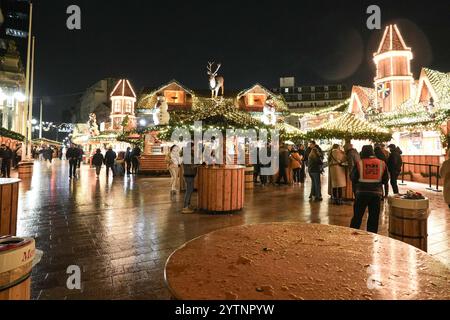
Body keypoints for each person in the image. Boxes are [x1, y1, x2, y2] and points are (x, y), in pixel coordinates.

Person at [350, 145, 389, 233]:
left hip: (361, 193)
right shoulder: (381, 163)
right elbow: (386, 179)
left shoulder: (359, 163)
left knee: (357, 217)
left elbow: (353, 177)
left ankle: (351, 235)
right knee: (373, 218)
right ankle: (371, 237)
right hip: (376, 194)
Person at [182, 143, 198, 213]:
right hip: (189, 175)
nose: (194, 148)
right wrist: (198, 165)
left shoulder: (188, 155)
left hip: (189, 175)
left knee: (190, 190)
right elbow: (192, 166)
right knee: (189, 191)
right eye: (193, 147)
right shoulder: (188, 156)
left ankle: (188, 205)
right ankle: (185, 207)